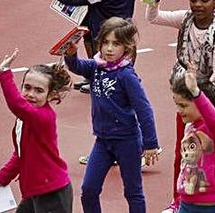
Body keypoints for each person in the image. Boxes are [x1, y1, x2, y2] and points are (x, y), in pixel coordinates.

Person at [146, 0, 215, 210]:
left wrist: (205, 105)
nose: (197, 5)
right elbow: (153, 18)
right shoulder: (185, 19)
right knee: (182, 152)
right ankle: (179, 200)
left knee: (208, 155)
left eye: (204, 0)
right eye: (193, 0)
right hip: (186, 99)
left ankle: (210, 197)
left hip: (206, 102)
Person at [64, 18, 160, 213]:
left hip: (128, 141)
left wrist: (150, 144)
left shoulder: (126, 76)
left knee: (133, 191)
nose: (109, 48)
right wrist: (71, 56)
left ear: (127, 47)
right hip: (102, 141)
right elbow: (77, 67)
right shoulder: (95, 67)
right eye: (105, 42)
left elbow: (144, 110)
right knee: (88, 190)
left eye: (116, 44)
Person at [0, 51, 74, 213]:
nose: (31, 94)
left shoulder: (42, 117)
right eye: (27, 88)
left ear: (51, 95)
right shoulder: (23, 120)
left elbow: (17, 105)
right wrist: (1, 178)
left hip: (52, 194)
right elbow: (21, 154)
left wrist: (4, 74)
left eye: (39, 90)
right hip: (35, 192)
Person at [169, 70, 215, 213]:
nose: (179, 110)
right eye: (177, 105)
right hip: (187, 204)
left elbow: (212, 118)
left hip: (213, 207)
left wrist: (196, 92)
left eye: (184, 105)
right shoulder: (190, 126)